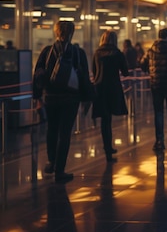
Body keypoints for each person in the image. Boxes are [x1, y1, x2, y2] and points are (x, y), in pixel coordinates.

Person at [32, 21, 90, 183]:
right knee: (64, 134)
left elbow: (37, 74)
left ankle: (51, 161)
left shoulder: (47, 51)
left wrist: (37, 96)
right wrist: (87, 99)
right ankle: (60, 170)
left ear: (56, 32)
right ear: (71, 33)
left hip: (50, 98)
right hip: (70, 99)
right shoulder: (78, 53)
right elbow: (84, 77)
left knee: (52, 129)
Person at [92, 30, 129, 162]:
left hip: (100, 89)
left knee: (104, 120)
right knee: (109, 119)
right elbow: (125, 72)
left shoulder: (97, 53)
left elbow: (94, 71)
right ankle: (109, 148)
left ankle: (107, 148)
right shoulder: (117, 53)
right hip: (113, 89)